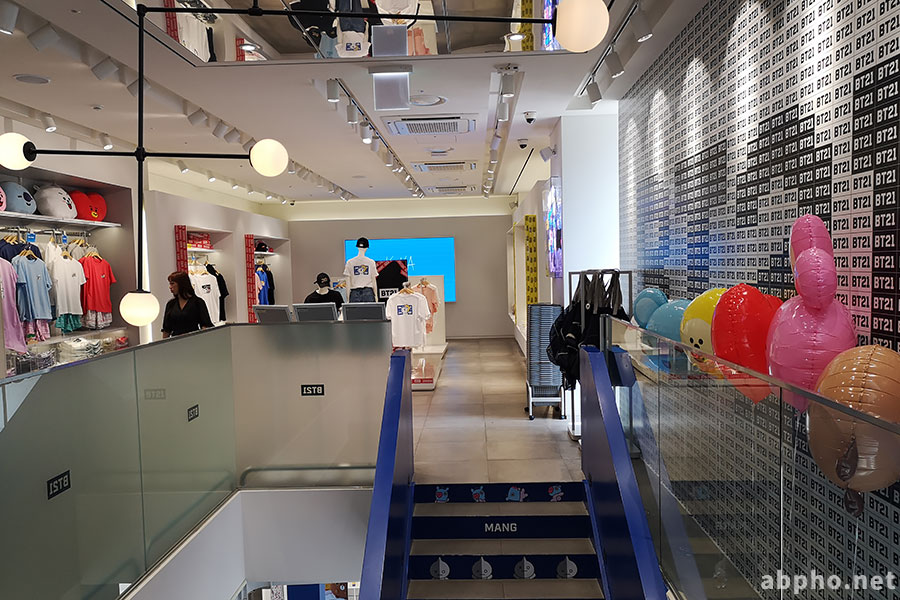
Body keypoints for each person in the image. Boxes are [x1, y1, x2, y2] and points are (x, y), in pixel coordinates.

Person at [161, 271, 214, 338]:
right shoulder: (171, 304)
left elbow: (205, 326)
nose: (170, 287)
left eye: (172, 284)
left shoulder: (198, 302)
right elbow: (166, 330)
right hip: (176, 341)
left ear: (181, 284)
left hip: (194, 339)